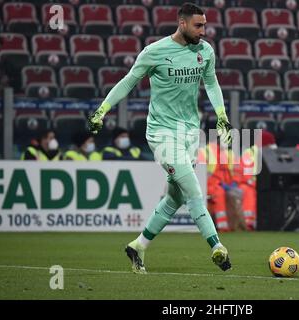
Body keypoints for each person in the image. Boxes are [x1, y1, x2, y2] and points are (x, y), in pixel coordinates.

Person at [88, 3, 233, 273]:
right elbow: (129, 81)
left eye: (204, 25)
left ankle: (138, 246)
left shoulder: (205, 51)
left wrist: (222, 114)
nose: (203, 31)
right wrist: (103, 109)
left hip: (190, 133)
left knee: (175, 197)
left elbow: (211, 83)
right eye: (198, 26)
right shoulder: (154, 52)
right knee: (193, 190)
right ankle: (216, 247)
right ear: (182, 24)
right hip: (162, 133)